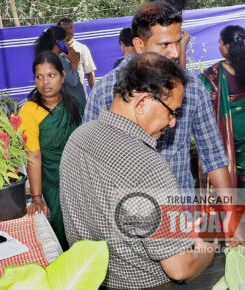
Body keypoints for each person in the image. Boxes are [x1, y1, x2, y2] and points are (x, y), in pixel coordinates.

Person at [60, 53, 216, 290]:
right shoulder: (147, 165)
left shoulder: (78, 141)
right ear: (143, 101)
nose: (173, 122)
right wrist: (207, 246)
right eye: (172, 111)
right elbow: (178, 266)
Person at [83, 2, 231, 196]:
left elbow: (214, 156)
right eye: (165, 45)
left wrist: (232, 211)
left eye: (178, 42)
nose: (175, 53)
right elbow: (89, 159)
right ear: (139, 45)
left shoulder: (192, 89)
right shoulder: (105, 91)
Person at [20, 51, 84, 249]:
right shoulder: (29, 110)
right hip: (51, 182)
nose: (45, 82)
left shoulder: (75, 105)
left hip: (80, 181)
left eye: (51, 75)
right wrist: (37, 198)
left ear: (62, 76)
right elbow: (33, 155)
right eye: (39, 77)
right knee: (61, 235)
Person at [200, 25, 245, 224]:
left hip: (228, 126)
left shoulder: (215, 73)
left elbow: (201, 93)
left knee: (225, 167)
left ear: (227, 46)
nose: (219, 46)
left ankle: (228, 212)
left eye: (220, 42)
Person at [33, 25, 87, 106]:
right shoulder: (57, 59)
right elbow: (73, 81)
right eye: (65, 41)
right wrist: (73, 62)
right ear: (58, 42)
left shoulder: (48, 57)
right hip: (72, 105)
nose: (68, 44)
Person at [57, 17, 97, 93]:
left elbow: (90, 74)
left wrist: (95, 94)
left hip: (79, 96)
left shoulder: (82, 48)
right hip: (61, 96)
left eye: (71, 28)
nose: (69, 31)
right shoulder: (53, 50)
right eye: (65, 28)